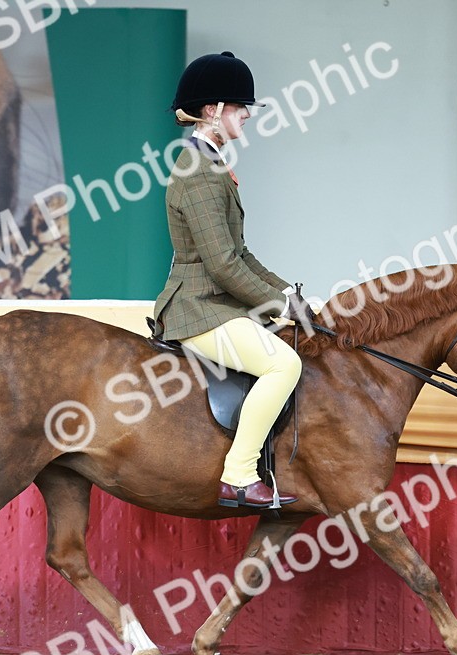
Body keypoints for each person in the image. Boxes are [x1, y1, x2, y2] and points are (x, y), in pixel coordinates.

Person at [151, 51, 315, 510]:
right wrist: (279, 305)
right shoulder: (199, 172)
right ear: (212, 110)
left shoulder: (212, 164)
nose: (247, 114)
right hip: (197, 307)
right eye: (240, 106)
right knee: (284, 366)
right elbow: (223, 265)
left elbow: (240, 253)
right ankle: (239, 475)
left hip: (215, 302)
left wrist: (286, 292)